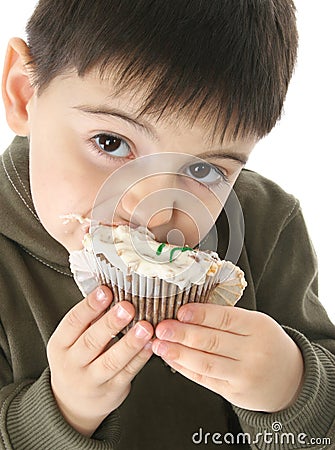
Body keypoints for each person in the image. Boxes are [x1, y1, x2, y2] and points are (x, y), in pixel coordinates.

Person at [0, 1, 334, 449]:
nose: (157, 213)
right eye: (110, 142)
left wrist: (294, 389)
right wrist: (62, 412)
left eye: (204, 172)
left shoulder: (265, 224)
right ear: (24, 93)